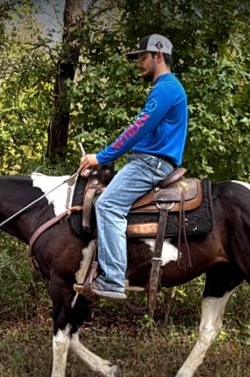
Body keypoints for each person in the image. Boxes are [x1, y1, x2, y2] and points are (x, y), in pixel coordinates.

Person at [78, 34, 188, 300]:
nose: (139, 63)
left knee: (108, 205)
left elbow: (139, 128)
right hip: (147, 160)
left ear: (158, 55)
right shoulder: (164, 88)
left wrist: (101, 156)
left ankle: (114, 279)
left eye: (142, 57)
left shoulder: (167, 88)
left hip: (150, 164)